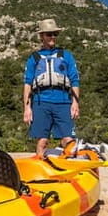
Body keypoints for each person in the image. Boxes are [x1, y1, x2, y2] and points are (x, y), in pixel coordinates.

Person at [22, 18, 80, 157]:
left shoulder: (66, 56)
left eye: (55, 34)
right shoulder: (34, 58)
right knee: (42, 141)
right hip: (41, 103)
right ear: (42, 36)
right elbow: (27, 83)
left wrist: (75, 102)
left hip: (63, 102)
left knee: (68, 140)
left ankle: (70, 171)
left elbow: (74, 80)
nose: (52, 37)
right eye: (49, 34)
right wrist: (27, 108)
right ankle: (41, 174)